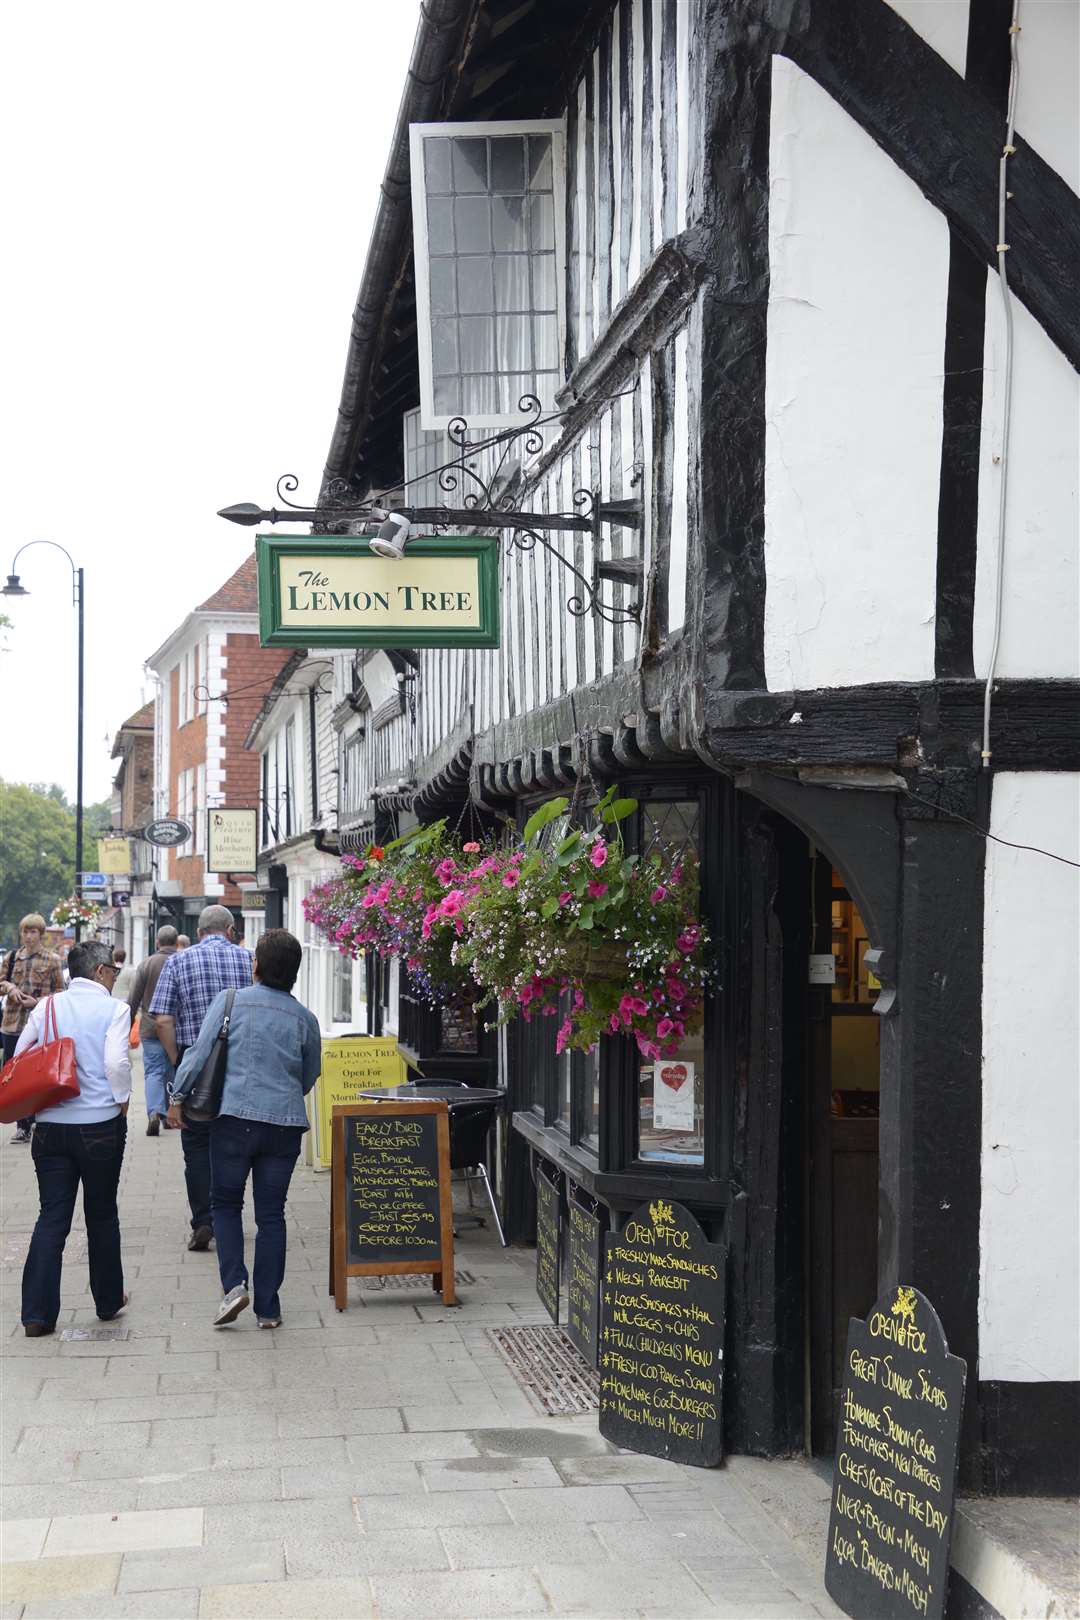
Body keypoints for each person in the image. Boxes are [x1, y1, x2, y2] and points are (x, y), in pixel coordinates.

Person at [169, 929, 320, 1329]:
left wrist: (177, 1097)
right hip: (284, 1125)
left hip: (234, 1121)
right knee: (271, 1215)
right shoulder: (306, 1019)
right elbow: (310, 1075)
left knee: (225, 1204)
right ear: (294, 973)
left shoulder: (230, 1002)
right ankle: (268, 1309)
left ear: (256, 966)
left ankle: (234, 1285)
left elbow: (199, 1054)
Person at [17, 939, 132, 1337]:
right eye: (113, 971)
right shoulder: (115, 1009)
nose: (116, 977)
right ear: (100, 971)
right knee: (101, 1214)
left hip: (50, 1129)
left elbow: (22, 1053)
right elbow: (117, 1061)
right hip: (99, 1126)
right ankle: (107, 1300)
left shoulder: (48, 1006)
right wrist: (121, 1102)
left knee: (52, 1216)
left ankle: (36, 1314)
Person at [149, 905, 252, 1250]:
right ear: (231, 929)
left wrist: (180, 1060)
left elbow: (162, 1019)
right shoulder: (248, 959)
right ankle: (228, 1218)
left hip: (194, 1070)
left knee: (195, 1147)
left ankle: (203, 1220)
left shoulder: (177, 961)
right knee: (233, 1144)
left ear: (199, 932)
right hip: (239, 1067)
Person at [1, 914, 65, 1143]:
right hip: (11, 1024)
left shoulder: (53, 960)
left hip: (39, 1026)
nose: (28, 936)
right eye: (25, 932)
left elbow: (61, 992)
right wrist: (10, 988)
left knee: (37, 1075)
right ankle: (22, 1125)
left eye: (33, 932)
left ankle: (39, 1120)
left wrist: (37, 1002)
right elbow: (0, 982)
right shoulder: (11, 957)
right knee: (12, 1076)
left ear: (41, 934)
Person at [127, 927, 179, 1137]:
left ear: (157, 942)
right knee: (173, 1070)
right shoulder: (182, 961)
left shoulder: (146, 964)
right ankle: (168, 1114)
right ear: (176, 942)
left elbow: (133, 999)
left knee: (154, 1072)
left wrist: (127, 1025)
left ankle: (155, 1112)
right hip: (176, 1028)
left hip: (150, 1028)